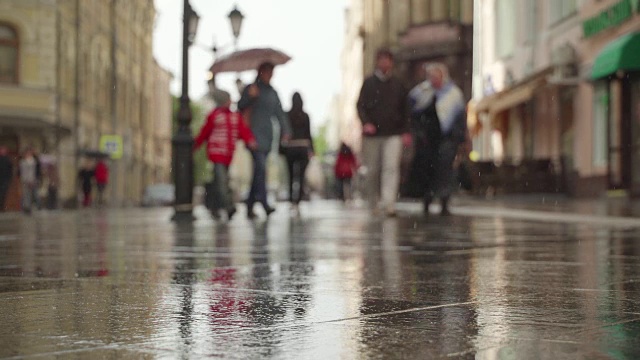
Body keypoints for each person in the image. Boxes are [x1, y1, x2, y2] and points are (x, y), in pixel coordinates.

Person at [356, 48, 412, 216]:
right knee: (372, 170)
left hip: (393, 134)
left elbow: (406, 110)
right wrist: (366, 123)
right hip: (373, 135)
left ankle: (389, 204)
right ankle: (372, 202)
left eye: (387, 60)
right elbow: (360, 106)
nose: (384, 63)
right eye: (381, 60)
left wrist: (406, 131)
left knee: (391, 168)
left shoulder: (398, 85)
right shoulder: (369, 83)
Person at [409, 63, 467, 216]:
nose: (433, 79)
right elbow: (411, 114)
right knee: (427, 170)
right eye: (431, 76)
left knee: (445, 170)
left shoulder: (453, 94)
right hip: (427, 139)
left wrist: (459, 137)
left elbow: (459, 117)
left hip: (446, 138)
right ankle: (427, 199)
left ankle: (444, 201)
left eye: (436, 75)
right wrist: (418, 132)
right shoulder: (421, 92)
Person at [238, 62, 292, 219]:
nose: (270, 75)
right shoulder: (252, 88)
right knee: (260, 168)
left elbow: (280, 113)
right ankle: (263, 202)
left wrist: (286, 131)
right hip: (252, 135)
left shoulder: (273, 93)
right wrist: (249, 97)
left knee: (258, 171)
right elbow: (240, 106)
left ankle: (249, 204)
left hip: (267, 137)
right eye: (268, 71)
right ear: (261, 72)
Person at [194, 89, 257, 220]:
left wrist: (250, 140)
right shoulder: (215, 115)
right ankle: (229, 207)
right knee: (222, 181)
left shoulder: (235, 117)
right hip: (217, 154)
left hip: (228, 155)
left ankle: (215, 207)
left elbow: (243, 131)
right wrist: (195, 145)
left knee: (219, 182)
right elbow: (205, 132)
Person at [281, 92, 314, 212]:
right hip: (303, 147)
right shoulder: (305, 116)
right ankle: (298, 199)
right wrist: (312, 150)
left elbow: (283, 132)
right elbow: (309, 134)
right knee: (301, 176)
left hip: (290, 148)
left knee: (290, 175)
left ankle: (291, 199)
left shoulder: (287, 115)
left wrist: (282, 149)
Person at [19, 148, 39, 214]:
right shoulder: (23, 162)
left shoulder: (34, 161)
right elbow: (23, 172)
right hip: (26, 180)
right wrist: (26, 179)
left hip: (33, 180)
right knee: (26, 194)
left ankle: (31, 206)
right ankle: (26, 207)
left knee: (33, 194)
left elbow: (35, 171)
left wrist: (33, 179)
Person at [0, 146, 13, 211]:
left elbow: (10, 170)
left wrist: (9, 179)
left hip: (5, 180)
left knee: (3, 194)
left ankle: (2, 207)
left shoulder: (8, 160)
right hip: (3, 179)